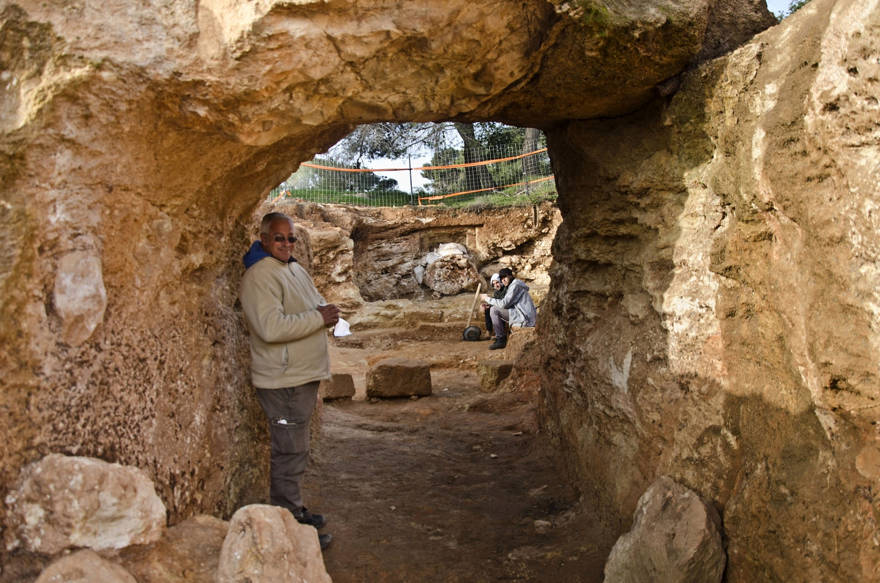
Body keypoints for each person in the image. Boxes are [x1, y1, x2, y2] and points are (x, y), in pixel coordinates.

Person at [240, 212, 339, 551]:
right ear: (264, 239)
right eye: (279, 238)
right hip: (283, 380)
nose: (286, 244)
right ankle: (287, 524)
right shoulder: (259, 275)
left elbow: (312, 305)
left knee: (295, 449)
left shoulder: (293, 268)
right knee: (288, 450)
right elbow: (270, 328)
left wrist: (327, 311)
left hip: (300, 376)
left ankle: (293, 511)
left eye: (291, 238)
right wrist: (318, 317)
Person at [480, 267, 536, 350]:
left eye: (505, 278)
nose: (503, 281)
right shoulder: (512, 285)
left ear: (510, 276)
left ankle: (501, 339)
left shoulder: (515, 285)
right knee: (492, 309)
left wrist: (487, 299)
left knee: (494, 310)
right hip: (519, 312)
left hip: (524, 316)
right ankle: (498, 337)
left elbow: (504, 304)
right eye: (501, 279)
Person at [482, 273, 507, 338]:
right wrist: (488, 305)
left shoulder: (505, 289)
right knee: (488, 309)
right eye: (494, 284)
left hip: (507, 310)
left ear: (501, 281)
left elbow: (502, 303)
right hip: (500, 308)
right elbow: (495, 300)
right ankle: (489, 331)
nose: (496, 285)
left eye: (497, 283)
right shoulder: (496, 291)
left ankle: (501, 332)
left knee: (496, 310)